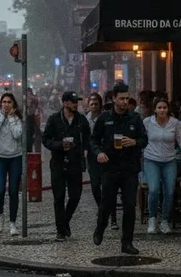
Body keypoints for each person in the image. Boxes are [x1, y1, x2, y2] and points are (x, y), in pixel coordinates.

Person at [92, 83, 148, 255]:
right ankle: (100, 228)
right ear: (114, 98)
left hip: (129, 168)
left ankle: (127, 242)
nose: (125, 102)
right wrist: (99, 153)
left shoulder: (135, 118)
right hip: (110, 167)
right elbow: (93, 140)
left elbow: (144, 139)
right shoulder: (104, 118)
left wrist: (134, 142)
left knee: (129, 205)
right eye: (122, 98)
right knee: (107, 203)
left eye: (127, 98)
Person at [42, 91, 91, 241]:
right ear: (65, 103)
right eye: (72, 101)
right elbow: (45, 139)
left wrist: (85, 150)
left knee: (75, 196)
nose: (76, 104)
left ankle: (65, 221)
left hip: (75, 162)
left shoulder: (81, 120)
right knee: (59, 196)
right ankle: (60, 231)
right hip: (58, 162)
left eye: (76, 101)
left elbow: (88, 138)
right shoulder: (54, 119)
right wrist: (58, 145)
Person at [142, 97, 181, 234]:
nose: (162, 110)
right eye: (159, 107)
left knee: (169, 191)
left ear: (168, 109)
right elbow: (141, 138)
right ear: (155, 109)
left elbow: (180, 139)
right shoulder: (147, 122)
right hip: (151, 159)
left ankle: (165, 220)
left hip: (169, 160)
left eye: (164, 107)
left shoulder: (174, 123)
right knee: (154, 189)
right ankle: (152, 218)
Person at [0, 92, 24, 236]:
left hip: (15, 157)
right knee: (0, 189)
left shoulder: (17, 117)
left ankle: (12, 223)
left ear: (13, 104)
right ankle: (0, 215)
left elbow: (17, 134)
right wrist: (2, 117)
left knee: (14, 190)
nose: (6, 105)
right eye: (4, 102)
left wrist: (10, 117)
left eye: (9, 102)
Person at [25, 88, 42, 152]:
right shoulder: (25, 106)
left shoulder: (35, 102)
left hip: (33, 124)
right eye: (27, 94)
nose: (29, 96)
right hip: (28, 125)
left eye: (29, 94)